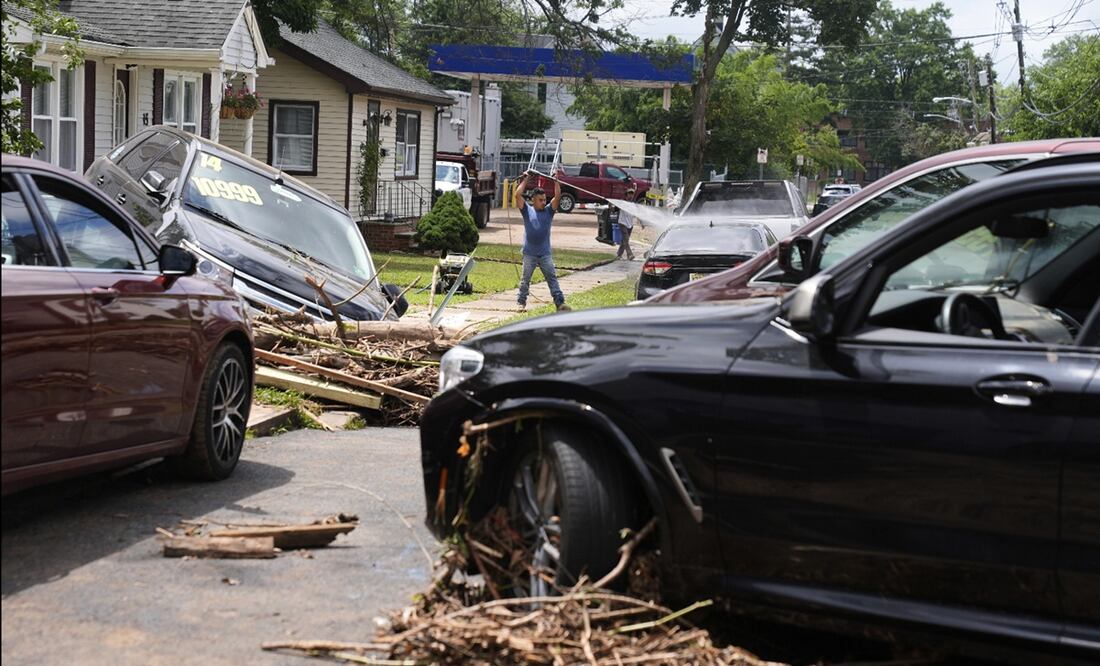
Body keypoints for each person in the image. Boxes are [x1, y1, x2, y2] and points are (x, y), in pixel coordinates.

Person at [513, 172, 569, 311]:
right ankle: (521, 302)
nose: (544, 202)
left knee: (552, 278)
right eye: (540, 200)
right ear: (533, 200)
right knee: (525, 280)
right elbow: (517, 195)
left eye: (544, 199)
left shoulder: (549, 211)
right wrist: (526, 179)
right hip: (529, 253)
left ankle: (560, 303)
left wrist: (555, 181)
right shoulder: (527, 210)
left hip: (545, 253)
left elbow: (557, 197)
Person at [615, 187, 637, 261]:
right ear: (626, 195)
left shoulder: (634, 205)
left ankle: (619, 254)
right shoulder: (622, 203)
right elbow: (615, 208)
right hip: (622, 223)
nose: (631, 196)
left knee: (624, 240)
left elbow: (638, 214)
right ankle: (629, 254)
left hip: (630, 224)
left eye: (632, 194)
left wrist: (642, 223)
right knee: (626, 239)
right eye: (629, 194)